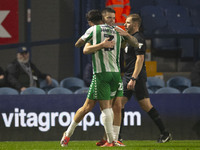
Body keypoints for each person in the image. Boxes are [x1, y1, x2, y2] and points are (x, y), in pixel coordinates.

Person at [60, 8, 138, 147]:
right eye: (109, 18)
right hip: (103, 74)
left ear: (91, 22)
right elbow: (83, 48)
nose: (112, 20)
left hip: (114, 74)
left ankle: (113, 139)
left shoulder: (112, 30)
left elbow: (79, 45)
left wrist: (125, 34)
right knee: (98, 108)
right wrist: (102, 44)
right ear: (102, 18)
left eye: (114, 18)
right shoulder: (99, 31)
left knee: (113, 107)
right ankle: (110, 140)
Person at [116, 13, 172, 143]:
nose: (125, 24)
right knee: (119, 104)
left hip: (137, 77)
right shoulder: (130, 39)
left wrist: (134, 79)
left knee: (146, 105)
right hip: (128, 76)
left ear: (135, 25)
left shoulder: (139, 39)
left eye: (128, 22)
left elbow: (140, 59)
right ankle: (118, 137)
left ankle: (165, 133)